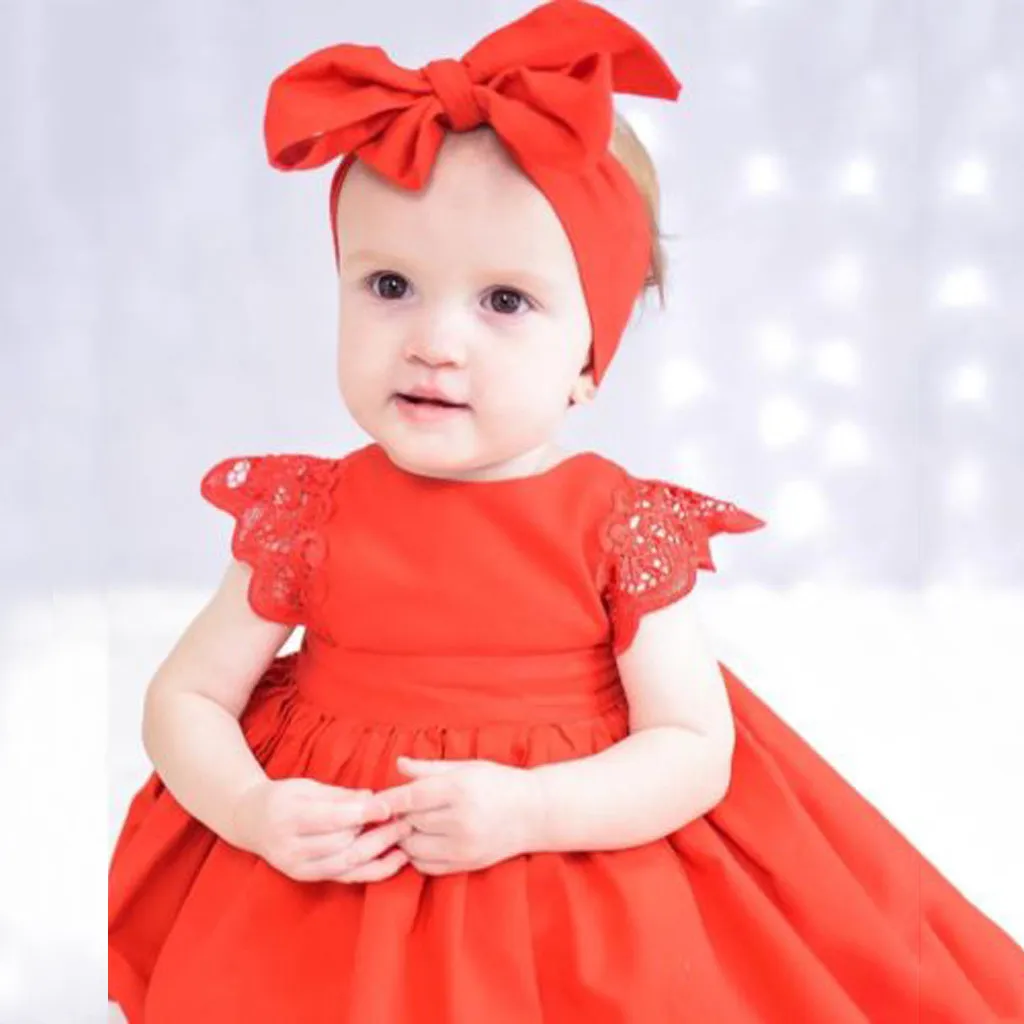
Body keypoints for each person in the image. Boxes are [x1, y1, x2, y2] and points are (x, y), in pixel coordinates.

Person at [107, 2, 1024, 1021]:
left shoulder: (615, 526)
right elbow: (184, 700)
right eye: (390, 284)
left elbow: (692, 748)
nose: (434, 342)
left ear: (590, 361)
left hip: (568, 891)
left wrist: (533, 808)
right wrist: (251, 808)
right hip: (335, 894)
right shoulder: (308, 514)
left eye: (504, 301)